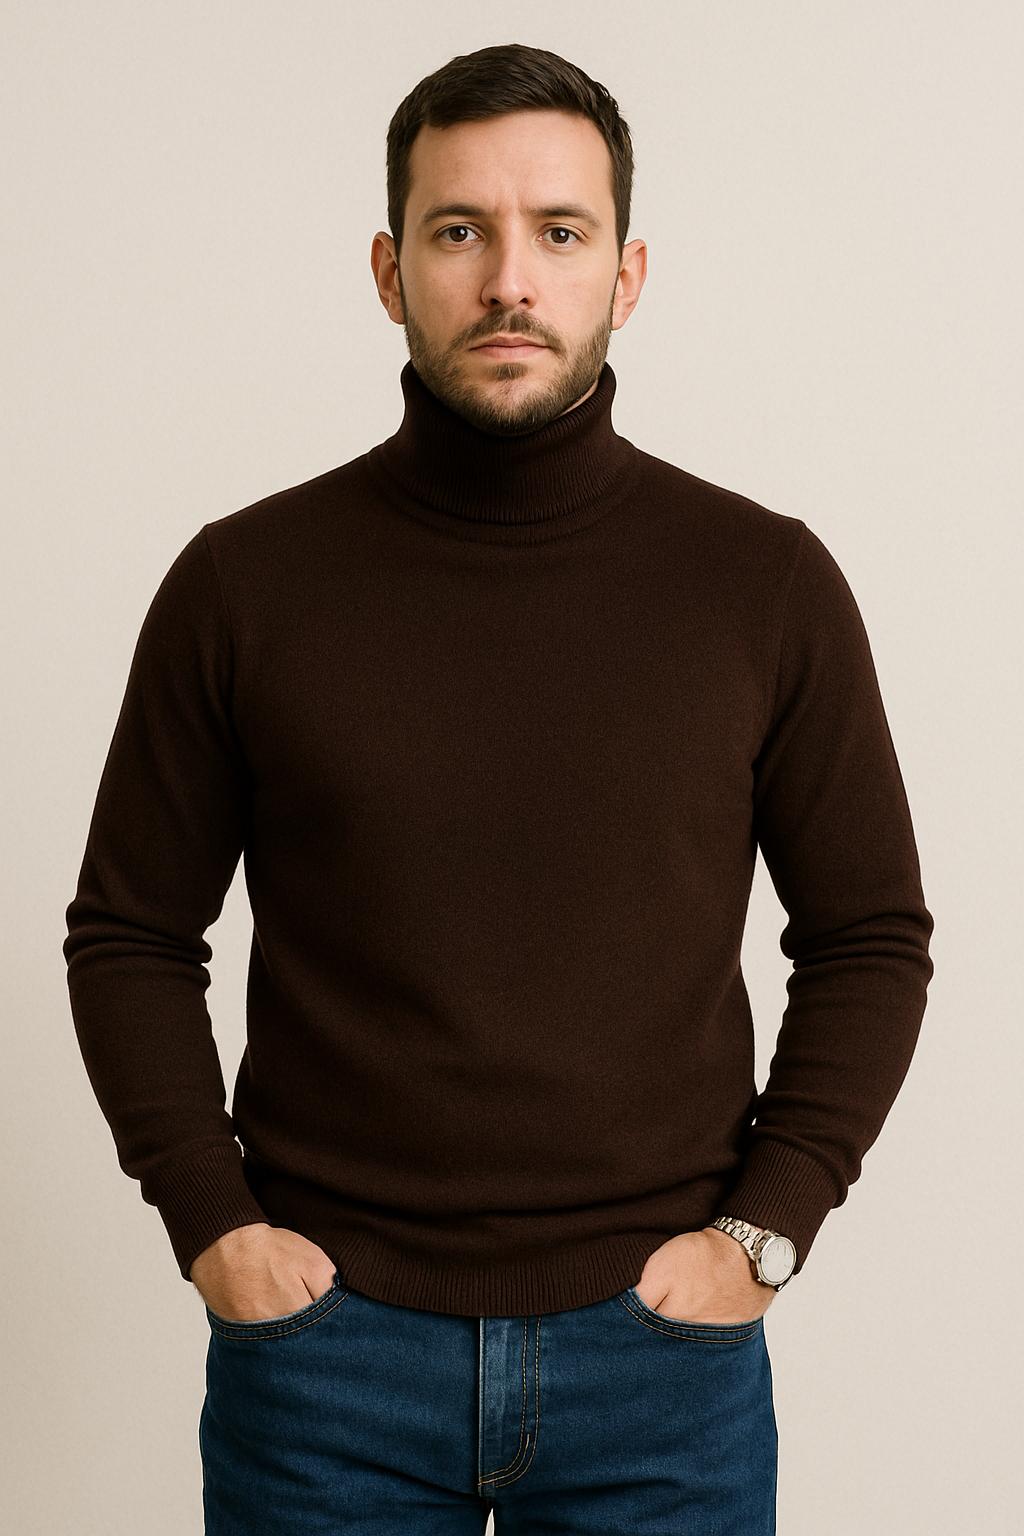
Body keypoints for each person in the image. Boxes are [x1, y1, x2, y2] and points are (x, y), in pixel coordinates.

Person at [63, 41, 934, 1535]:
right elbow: (131, 934)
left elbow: (869, 937)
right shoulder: (244, 585)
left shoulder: (763, 584)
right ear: (390, 270)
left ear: (628, 275)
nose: (510, 281)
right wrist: (214, 1226)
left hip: (660, 1366)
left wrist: (766, 1231)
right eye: (461, 230)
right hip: (325, 1370)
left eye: (561, 232)